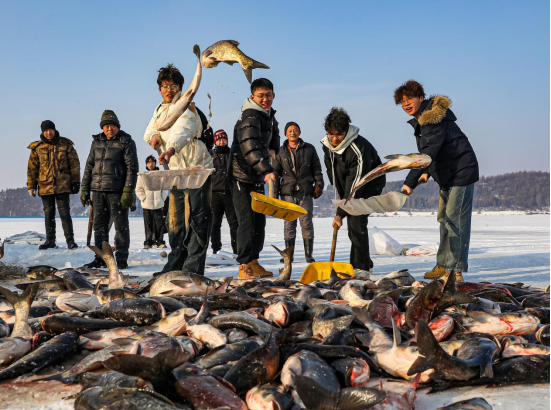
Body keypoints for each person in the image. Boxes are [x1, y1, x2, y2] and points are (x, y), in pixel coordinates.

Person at [396, 80, 479, 282]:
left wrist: (410, 182)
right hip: (446, 175)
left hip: (461, 172)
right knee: (444, 219)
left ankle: (455, 270)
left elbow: (427, 153)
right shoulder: (423, 120)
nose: (406, 104)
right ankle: (443, 264)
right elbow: (436, 151)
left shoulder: (432, 119)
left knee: (455, 221)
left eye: (410, 99)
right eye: (402, 101)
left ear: (421, 98)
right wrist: (426, 173)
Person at [144, 64, 214, 276]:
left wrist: (171, 149)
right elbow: (149, 131)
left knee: (197, 221)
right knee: (175, 222)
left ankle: (192, 270)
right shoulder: (159, 110)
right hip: (175, 174)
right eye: (165, 86)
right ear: (159, 89)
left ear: (181, 88)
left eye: (174, 86)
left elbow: (184, 131)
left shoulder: (187, 107)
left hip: (197, 172)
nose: (170, 90)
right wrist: (153, 138)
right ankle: (175, 266)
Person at [321, 107, 386, 278]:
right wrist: (340, 194)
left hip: (369, 185)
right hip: (349, 185)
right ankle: (364, 263)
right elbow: (332, 172)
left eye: (339, 135)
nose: (334, 139)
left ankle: (361, 268)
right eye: (331, 134)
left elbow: (355, 186)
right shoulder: (328, 146)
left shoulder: (358, 149)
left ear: (346, 131)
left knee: (356, 224)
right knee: (353, 225)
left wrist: (340, 213)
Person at [231, 78, 281, 279]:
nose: (265, 99)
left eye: (268, 95)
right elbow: (249, 145)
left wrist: (273, 149)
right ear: (253, 97)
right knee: (246, 222)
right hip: (241, 176)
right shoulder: (250, 116)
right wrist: (266, 169)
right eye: (261, 96)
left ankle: (253, 261)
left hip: (256, 177)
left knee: (259, 222)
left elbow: (275, 134)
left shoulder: (268, 116)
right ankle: (244, 265)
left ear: (273, 95)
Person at [81, 110, 139, 269]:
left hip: (117, 191)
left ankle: (121, 258)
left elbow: (132, 167)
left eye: (112, 125)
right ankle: (101, 258)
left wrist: (128, 190)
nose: (109, 129)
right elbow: (89, 166)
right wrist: (85, 187)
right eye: (106, 126)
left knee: (121, 226)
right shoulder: (96, 142)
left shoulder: (126, 141)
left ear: (117, 126)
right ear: (102, 127)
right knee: (99, 226)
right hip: (98, 190)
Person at [274, 121, 324, 263]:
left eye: (295, 130)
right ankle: (288, 255)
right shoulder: (280, 151)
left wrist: (319, 184)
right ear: (286, 134)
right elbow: (276, 173)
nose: (293, 133)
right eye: (290, 130)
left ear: (300, 132)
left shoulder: (309, 149)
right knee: (289, 224)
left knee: (306, 223)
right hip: (287, 193)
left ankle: (308, 255)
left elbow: (317, 168)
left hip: (305, 191)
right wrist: (274, 193)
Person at [27, 120, 81, 250]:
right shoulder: (37, 148)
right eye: (45, 130)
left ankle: (70, 241)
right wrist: (31, 186)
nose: (48, 133)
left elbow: (74, 164)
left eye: (50, 130)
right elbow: (32, 169)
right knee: (49, 215)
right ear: (42, 132)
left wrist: (75, 181)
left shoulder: (65, 144)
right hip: (45, 186)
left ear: (54, 130)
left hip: (63, 185)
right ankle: (50, 241)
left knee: (65, 214)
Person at [210, 129, 238, 255]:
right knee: (215, 223)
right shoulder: (210, 155)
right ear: (215, 141)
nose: (221, 142)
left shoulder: (232, 153)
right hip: (214, 193)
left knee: (234, 223)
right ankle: (216, 248)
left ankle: (236, 249)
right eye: (219, 140)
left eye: (224, 139)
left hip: (230, 193)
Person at [136, 156, 169, 250]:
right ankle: (148, 242)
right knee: (148, 225)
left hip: (159, 204)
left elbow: (165, 188)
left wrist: (162, 199)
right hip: (147, 205)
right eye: (149, 162)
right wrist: (143, 198)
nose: (151, 164)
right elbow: (138, 189)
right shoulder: (142, 176)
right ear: (146, 164)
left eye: (152, 162)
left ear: (155, 163)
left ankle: (160, 242)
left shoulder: (160, 175)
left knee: (159, 224)